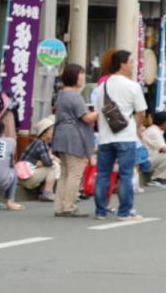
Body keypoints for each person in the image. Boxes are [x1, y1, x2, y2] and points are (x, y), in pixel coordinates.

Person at [94, 49, 147, 221]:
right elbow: (141, 112)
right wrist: (136, 126)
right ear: (123, 64)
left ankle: (100, 211)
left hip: (105, 137)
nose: (133, 65)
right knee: (125, 174)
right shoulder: (133, 86)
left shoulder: (102, 87)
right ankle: (124, 212)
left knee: (103, 174)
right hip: (126, 136)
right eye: (131, 62)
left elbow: (98, 112)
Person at [51, 63, 97, 217]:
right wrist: (101, 110)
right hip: (74, 137)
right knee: (75, 173)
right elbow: (87, 118)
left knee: (64, 173)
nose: (83, 77)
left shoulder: (62, 94)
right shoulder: (75, 96)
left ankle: (60, 206)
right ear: (74, 76)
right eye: (81, 74)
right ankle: (69, 207)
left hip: (61, 136)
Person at [18, 117, 59, 202]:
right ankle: (47, 193)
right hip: (26, 177)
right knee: (53, 167)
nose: (53, 132)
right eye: (51, 129)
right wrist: (51, 158)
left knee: (54, 164)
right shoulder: (40, 143)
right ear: (44, 132)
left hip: (25, 176)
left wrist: (44, 161)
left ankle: (43, 191)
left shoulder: (41, 143)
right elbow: (48, 163)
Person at [143, 111, 166, 185]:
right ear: (164, 122)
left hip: (147, 160)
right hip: (145, 162)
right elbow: (163, 149)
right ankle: (157, 178)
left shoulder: (154, 129)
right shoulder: (154, 131)